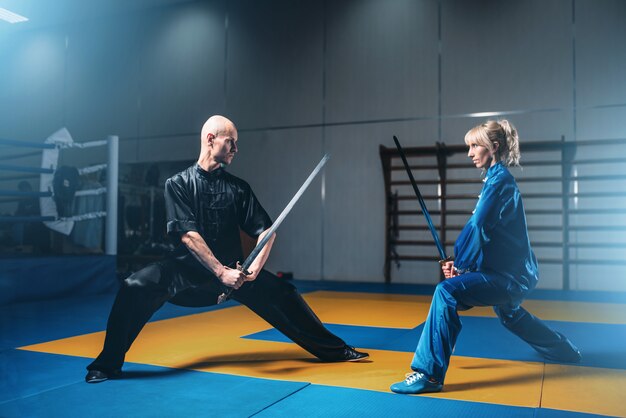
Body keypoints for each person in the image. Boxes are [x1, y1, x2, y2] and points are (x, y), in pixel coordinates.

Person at [86, 115, 368, 383]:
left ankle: (335, 350)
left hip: (235, 273)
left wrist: (253, 269)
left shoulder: (238, 188)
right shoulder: (178, 184)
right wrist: (220, 272)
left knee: (285, 293)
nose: (236, 148)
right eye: (231, 141)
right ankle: (106, 364)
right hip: (184, 272)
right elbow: (188, 236)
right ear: (211, 139)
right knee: (134, 286)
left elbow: (266, 232)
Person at [390, 120, 581, 395]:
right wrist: (464, 266)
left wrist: (462, 266)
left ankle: (428, 375)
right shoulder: (496, 180)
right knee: (509, 313)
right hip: (515, 274)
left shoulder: (500, 182)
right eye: (469, 146)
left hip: (509, 278)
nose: (469, 152)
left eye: (475, 145)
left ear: (494, 147)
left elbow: (478, 227)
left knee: (446, 293)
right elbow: (491, 237)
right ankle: (564, 350)